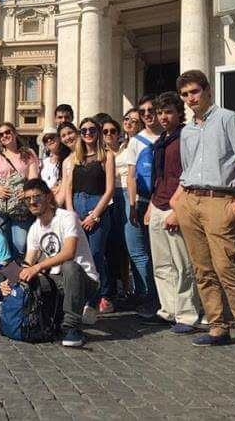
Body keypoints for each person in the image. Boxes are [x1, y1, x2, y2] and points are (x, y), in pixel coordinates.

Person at [171, 70, 235, 354]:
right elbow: (186, 170)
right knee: (202, 269)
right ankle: (217, 326)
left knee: (227, 268)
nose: (190, 99)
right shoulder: (186, 130)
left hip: (219, 199)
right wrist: (178, 202)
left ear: (207, 90)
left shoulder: (228, 119)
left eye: (194, 92)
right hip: (190, 199)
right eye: (185, 94)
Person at [0, 179, 99, 348]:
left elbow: (69, 252)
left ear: (48, 197)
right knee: (28, 277)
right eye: (28, 199)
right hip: (57, 282)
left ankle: (72, 327)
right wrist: (9, 281)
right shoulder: (34, 228)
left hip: (84, 281)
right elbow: (27, 263)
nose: (32, 202)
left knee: (69, 266)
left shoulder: (67, 217)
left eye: (37, 197)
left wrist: (38, 267)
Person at [142, 92, 201, 333]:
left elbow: (189, 175)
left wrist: (178, 209)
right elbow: (159, 177)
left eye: (168, 112)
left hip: (177, 206)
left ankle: (187, 314)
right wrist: (150, 205)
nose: (163, 117)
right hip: (158, 203)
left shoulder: (187, 137)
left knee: (182, 264)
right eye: (159, 113)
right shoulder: (160, 142)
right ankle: (168, 309)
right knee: (162, 263)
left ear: (179, 113)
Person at [66, 117, 115, 313]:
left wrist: (94, 215)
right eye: (84, 130)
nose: (88, 134)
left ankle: (97, 298)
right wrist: (71, 212)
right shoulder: (74, 158)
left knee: (95, 254)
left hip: (97, 205)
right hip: (77, 204)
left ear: (98, 132)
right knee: (79, 256)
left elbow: (110, 189)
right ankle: (82, 296)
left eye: (92, 130)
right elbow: (68, 187)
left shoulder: (107, 156)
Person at [124, 95, 160, 316]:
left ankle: (159, 298)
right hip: (141, 201)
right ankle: (146, 295)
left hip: (163, 203)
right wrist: (132, 204)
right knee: (138, 252)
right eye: (143, 111)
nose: (147, 114)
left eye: (151, 110)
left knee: (160, 254)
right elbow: (131, 176)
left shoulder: (169, 137)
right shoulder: (136, 141)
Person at [0, 122, 40, 256]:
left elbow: (33, 177)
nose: (5, 135)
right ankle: (10, 273)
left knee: (20, 244)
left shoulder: (28, 154)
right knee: (4, 245)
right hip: (0, 208)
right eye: (1, 134)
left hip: (21, 205)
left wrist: (27, 191)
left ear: (15, 133)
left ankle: (21, 270)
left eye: (8, 132)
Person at [101, 119, 133, 308]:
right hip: (107, 199)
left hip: (124, 194)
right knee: (111, 245)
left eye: (113, 131)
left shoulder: (127, 149)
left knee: (126, 244)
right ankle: (114, 287)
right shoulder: (99, 153)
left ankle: (127, 286)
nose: (109, 134)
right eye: (105, 131)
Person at [40, 130, 66, 195]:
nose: (49, 140)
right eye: (45, 140)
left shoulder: (67, 160)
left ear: (59, 139)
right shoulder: (43, 162)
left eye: (51, 137)